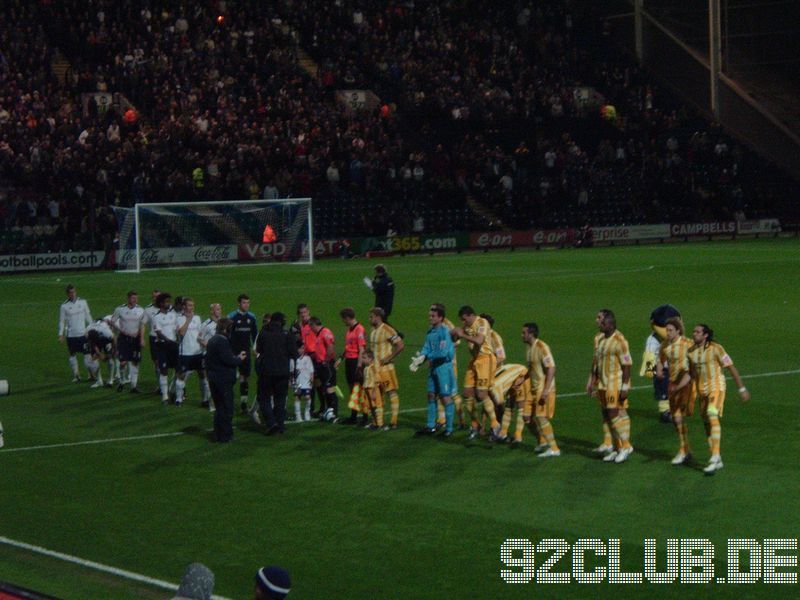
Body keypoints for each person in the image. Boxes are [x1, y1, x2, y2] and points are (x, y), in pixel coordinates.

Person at [688, 323, 750, 474]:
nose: (694, 334)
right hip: (702, 390)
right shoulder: (690, 352)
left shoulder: (717, 348)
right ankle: (717, 458)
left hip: (716, 387)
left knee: (712, 414)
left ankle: (715, 456)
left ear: (705, 335)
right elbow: (692, 374)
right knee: (706, 423)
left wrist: (742, 388)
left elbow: (731, 367)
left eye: (697, 332)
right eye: (694, 331)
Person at [586, 309, 634, 463]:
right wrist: (592, 380)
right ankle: (616, 448)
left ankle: (626, 446)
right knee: (606, 416)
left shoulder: (620, 342)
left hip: (615, 383)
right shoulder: (601, 340)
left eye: (600, 320)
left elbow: (627, 365)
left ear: (609, 323)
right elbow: (597, 363)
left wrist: (625, 386)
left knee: (614, 414)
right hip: (603, 384)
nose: (598, 322)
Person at [451, 306, 499, 440]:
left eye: (464, 319)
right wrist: (453, 333)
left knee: (481, 394)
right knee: (467, 393)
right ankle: (475, 425)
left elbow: (479, 340)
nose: (463, 322)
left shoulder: (482, 322)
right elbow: (455, 340)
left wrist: (462, 334)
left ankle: (495, 425)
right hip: (475, 360)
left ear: (470, 315)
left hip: (486, 359)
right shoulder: (466, 326)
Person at [412, 303, 456, 437]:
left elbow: (442, 353)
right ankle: (430, 426)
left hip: (443, 368)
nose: (430, 318)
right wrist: (420, 357)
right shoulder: (430, 331)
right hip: (433, 367)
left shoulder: (444, 332)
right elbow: (427, 346)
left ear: (441, 317)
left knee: (445, 397)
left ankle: (449, 429)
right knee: (431, 395)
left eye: (433, 316)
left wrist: (426, 357)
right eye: (429, 315)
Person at [655, 317, 694, 465]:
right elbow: (660, 359)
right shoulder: (664, 345)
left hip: (686, 384)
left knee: (678, 418)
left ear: (678, 330)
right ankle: (686, 449)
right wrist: (659, 371)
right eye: (667, 330)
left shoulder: (687, 343)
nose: (668, 333)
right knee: (677, 420)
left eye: (671, 330)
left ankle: (685, 450)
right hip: (672, 385)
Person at [255, 312, 298, 434]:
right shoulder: (287, 334)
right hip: (282, 373)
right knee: (280, 399)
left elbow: (258, 350)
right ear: (281, 322)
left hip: (266, 372)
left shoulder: (263, 333)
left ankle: (271, 423)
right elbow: (294, 354)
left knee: (264, 398)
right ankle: (280, 425)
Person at [522, 322, 560, 457]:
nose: (522, 335)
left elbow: (551, 368)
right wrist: (523, 378)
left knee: (541, 417)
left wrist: (546, 389)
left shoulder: (542, 347)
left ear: (531, 334)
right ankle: (542, 441)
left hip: (542, 388)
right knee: (526, 417)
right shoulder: (529, 348)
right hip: (532, 388)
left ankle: (554, 448)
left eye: (524, 333)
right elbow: (532, 367)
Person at [205, 318, 246, 443]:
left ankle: (217, 434)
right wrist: (239, 358)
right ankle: (225, 436)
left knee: (219, 407)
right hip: (223, 379)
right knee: (226, 408)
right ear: (226, 328)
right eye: (230, 328)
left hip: (213, 378)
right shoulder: (222, 341)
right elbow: (228, 360)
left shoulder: (213, 339)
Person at [642, 304, 682, 423]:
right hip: (661, 370)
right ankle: (665, 412)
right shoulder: (654, 339)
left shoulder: (676, 337)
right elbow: (649, 355)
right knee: (663, 390)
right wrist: (649, 369)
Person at [367, 307, 404, 429]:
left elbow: (400, 345)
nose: (369, 319)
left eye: (371, 316)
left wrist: (389, 358)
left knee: (390, 392)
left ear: (378, 317)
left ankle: (393, 422)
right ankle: (378, 423)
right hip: (375, 369)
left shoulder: (387, 329)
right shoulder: (373, 330)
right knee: (377, 395)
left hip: (386, 369)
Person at [228, 294, 258, 414]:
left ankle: (243, 403)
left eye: (248, 303)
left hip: (245, 352)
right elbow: (227, 335)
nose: (246, 305)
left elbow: (255, 335)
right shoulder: (232, 317)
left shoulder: (252, 317)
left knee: (245, 377)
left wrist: (255, 348)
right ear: (239, 304)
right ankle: (228, 401)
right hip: (233, 352)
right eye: (244, 303)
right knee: (230, 378)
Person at [58, 284, 93, 382]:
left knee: (87, 354)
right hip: (71, 335)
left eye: (73, 292)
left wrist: (91, 328)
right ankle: (76, 375)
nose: (72, 294)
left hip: (83, 334)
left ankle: (90, 374)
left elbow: (88, 316)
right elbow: (62, 321)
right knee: (72, 355)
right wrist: (61, 334)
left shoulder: (83, 302)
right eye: (70, 293)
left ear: (76, 292)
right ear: (67, 294)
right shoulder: (64, 306)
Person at [112, 290, 145, 393]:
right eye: (133, 298)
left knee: (135, 362)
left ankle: (133, 387)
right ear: (128, 298)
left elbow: (142, 325)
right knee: (122, 362)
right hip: (123, 339)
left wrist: (142, 338)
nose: (135, 300)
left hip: (135, 339)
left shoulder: (140, 310)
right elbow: (112, 322)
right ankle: (122, 381)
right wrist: (120, 331)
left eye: (136, 298)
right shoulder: (120, 309)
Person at [175, 298, 206, 408]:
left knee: (202, 374)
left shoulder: (197, 318)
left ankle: (205, 399)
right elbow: (181, 333)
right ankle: (178, 398)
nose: (191, 307)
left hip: (197, 352)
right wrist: (188, 319)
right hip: (185, 352)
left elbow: (200, 333)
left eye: (193, 305)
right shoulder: (179, 318)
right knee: (181, 375)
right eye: (189, 305)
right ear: (184, 307)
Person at [337, 308, 366, 424]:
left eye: (343, 320)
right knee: (352, 390)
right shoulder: (349, 329)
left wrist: (359, 366)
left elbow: (362, 349)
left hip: (355, 362)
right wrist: (341, 358)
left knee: (359, 390)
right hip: (349, 361)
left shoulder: (360, 329)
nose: (343, 322)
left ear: (348, 318)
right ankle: (353, 416)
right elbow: (348, 346)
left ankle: (364, 416)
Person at [488, 363, 529, 444]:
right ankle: (503, 433)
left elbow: (499, 407)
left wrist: (495, 425)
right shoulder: (488, 383)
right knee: (509, 405)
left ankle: (518, 436)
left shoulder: (493, 388)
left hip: (521, 375)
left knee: (520, 405)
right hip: (512, 375)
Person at [309, 316, 339, 421]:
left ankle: (334, 412)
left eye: (310, 326)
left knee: (330, 388)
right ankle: (328, 411)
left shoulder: (325, 332)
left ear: (313, 324)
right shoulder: (319, 334)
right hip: (321, 365)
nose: (310, 329)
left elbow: (330, 347)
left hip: (327, 366)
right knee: (326, 389)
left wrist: (326, 360)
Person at [152, 293, 179, 404]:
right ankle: (165, 396)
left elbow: (177, 328)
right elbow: (158, 333)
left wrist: (178, 339)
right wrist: (168, 341)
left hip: (174, 345)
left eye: (170, 301)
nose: (169, 304)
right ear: (161, 303)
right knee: (164, 370)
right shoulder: (157, 317)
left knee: (178, 369)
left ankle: (172, 390)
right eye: (167, 302)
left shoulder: (173, 315)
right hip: (163, 345)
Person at [197, 303, 222, 411]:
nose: (219, 311)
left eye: (220, 309)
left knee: (220, 380)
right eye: (217, 309)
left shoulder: (223, 323)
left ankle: (217, 401)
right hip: (209, 356)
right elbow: (199, 338)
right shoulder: (206, 324)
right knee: (209, 380)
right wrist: (209, 346)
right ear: (211, 311)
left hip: (220, 356)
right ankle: (210, 403)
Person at [86, 315, 116, 388]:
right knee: (94, 358)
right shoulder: (87, 331)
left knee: (110, 358)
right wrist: (99, 354)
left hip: (106, 340)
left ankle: (110, 379)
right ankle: (99, 381)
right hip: (96, 339)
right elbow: (93, 344)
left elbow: (114, 339)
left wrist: (114, 350)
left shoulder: (106, 331)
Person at [143, 289, 162, 391]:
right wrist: (141, 338)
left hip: (167, 337)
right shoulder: (148, 309)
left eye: (157, 296)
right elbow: (143, 324)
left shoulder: (168, 308)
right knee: (157, 363)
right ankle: (160, 385)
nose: (156, 298)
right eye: (154, 297)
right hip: (154, 337)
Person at [293, 342, 314, 422]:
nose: (302, 350)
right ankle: (298, 415)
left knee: (307, 397)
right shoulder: (294, 360)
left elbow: (311, 371)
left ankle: (307, 412)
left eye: (303, 348)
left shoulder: (308, 359)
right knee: (297, 397)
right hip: (298, 383)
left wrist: (311, 379)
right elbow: (292, 372)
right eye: (300, 348)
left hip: (306, 382)